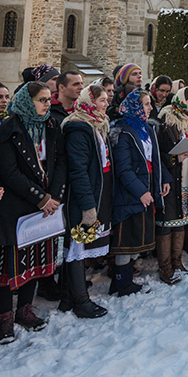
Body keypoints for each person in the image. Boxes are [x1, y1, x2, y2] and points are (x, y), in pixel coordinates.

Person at [0, 83, 64, 342]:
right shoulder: (9, 129)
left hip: (46, 205)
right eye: (41, 100)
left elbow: (59, 162)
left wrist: (53, 196)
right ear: (27, 101)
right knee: (9, 266)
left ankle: (25, 309)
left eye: (47, 99)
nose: (47, 104)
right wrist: (40, 197)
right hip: (16, 205)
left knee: (36, 261)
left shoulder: (51, 126)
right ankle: (5, 317)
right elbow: (9, 171)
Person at [108, 89, 170, 296]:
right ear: (135, 106)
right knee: (127, 241)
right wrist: (141, 191)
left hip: (148, 187)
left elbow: (155, 158)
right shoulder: (123, 132)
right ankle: (121, 283)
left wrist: (164, 180)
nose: (150, 108)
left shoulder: (147, 129)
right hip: (131, 193)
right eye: (146, 104)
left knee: (139, 239)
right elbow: (123, 169)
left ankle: (125, 281)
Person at [61, 85, 113, 317]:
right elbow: (78, 170)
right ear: (89, 102)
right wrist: (88, 205)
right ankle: (80, 301)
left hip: (94, 195)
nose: (105, 104)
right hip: (81, 199)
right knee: (76, 248)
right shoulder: (78, 128)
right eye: (101, 100)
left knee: (80, 246)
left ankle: (69, 297)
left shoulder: (97, 124)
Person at [155, 89, 188, 282]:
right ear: (180, 101)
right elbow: (157, 155)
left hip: (187, 178)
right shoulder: (166, 124)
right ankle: (165, 267)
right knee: (167, 223)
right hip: (170, 180)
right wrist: (175, 158)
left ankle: (177, 262)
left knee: (181, 222)